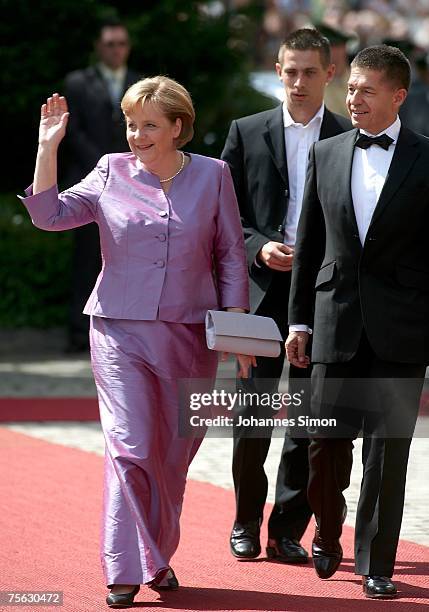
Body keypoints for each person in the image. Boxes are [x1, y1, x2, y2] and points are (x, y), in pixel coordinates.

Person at [19, 77, 253, 608]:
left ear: (177, 126)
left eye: (149, 124)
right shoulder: (109, 171)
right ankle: (122, 568)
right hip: (118, 332)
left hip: (192, 337)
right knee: (129, 445)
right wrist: (46, 148)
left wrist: (238, 330)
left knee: (172, 457)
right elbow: (49, 215)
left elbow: (232, 254)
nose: (137, 135)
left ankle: (157, 557)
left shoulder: (214, 176)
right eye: (131, 124)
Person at [286, 45, 428, 598]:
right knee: (323, 444)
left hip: (403, 328)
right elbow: (309, 244)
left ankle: (378, 563)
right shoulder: (326, 153)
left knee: (388, 452)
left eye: (367, 90)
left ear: (398, 95)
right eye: (351, 89)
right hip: (334, 320)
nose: (353, 98)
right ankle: (327, 526)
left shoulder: (426, 159)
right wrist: (299, 322)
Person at [221, 28, 351, 564]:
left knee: (306, 420)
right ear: (278, 71)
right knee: (250, 417)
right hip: (256, 293)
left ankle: (286, 529)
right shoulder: (246, 131)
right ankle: (245, 521)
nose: (298, 82)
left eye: (309, 72)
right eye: (289, 71)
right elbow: (225, 215)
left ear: (329, 74)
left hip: (321, 296)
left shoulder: (349, 137)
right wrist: (258, 247)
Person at [63, 18, 140, 352]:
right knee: (86, 259)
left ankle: (127, 333)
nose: (116, 49)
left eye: (121, 43)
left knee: (130, 257)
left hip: (134, 185)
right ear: (98, 47)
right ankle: (80, 333)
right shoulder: (78, 82)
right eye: (110, 44)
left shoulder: (141, 83)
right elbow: (73, 131)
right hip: (89, 182)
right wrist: (105, 166)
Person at [315, 22, 356, 118]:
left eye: (335, 46)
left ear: (344, 48)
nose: (330, 52)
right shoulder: (316, 83)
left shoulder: (359, 79)